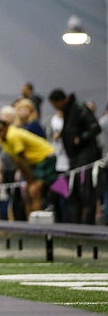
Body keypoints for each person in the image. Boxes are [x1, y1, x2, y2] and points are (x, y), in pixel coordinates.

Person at [49, 89, 102, 224]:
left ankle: (87, 224)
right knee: (73, 192)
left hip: (85, 156)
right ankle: (75, 224)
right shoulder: (68, 110)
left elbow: (95, 128)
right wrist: (63, 135)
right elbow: (73, 128)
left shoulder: (79, 108)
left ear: (60, 101)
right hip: (73, 157)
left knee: (86, 192)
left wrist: (80, 138)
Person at [0, 116, 57, 216]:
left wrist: (31, 181)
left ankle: (37, 222)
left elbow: (22, 159)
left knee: (34, 191)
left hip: (46, 158)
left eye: (1, 130)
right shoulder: (1, 139)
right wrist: (28, 181)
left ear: (6, 127)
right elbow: (17, 160)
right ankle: (30, 223)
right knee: (27, 192)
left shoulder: (13, 135)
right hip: (33, 162)